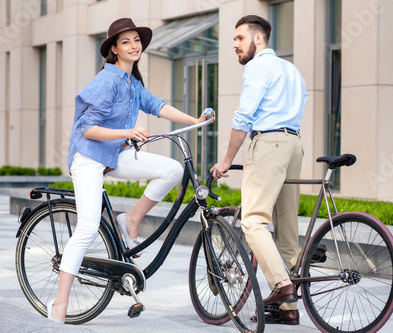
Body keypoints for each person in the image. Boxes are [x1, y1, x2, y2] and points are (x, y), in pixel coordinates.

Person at [48, 18, 210, 324]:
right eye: (126, 41)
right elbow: (87, 129)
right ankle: (60, 304)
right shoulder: (107, 80)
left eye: (137, 40)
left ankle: (130, 219)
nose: (134, 45)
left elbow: (157, 105)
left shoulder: (132, 83)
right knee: (87, 226)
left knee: (172, 170)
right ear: (113, 49)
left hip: (114, 154)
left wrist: (194, 120)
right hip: (88, 157)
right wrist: (128, 132)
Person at [211, 15, 306, 325]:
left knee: (253, 222)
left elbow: (244, 117)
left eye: (240, 38)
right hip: (294, 144)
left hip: (268, 144)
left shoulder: (257, 67)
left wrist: (225, 160)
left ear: (258, 39)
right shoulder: (291, 69)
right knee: (287, 227)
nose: (235, 45)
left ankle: (282, 287)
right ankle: (288, 311)